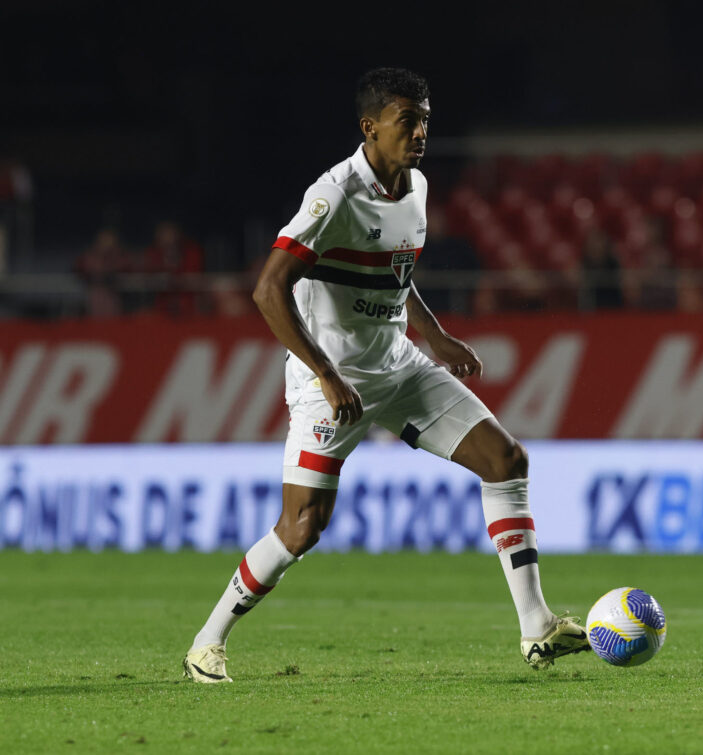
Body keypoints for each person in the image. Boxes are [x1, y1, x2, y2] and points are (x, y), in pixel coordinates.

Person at [182, 68, 588, 683]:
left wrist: (434, 335)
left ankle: (536, 627)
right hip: (333, 382)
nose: (421, 132)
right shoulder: (334, 195)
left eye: (425, 120)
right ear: (370, 127)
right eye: (408, 121)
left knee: (506, 461)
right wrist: (322, 373)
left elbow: (394, 274)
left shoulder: (416, 187)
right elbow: (268, 290)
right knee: (302, 528)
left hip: (397, 366)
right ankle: (207, 643)